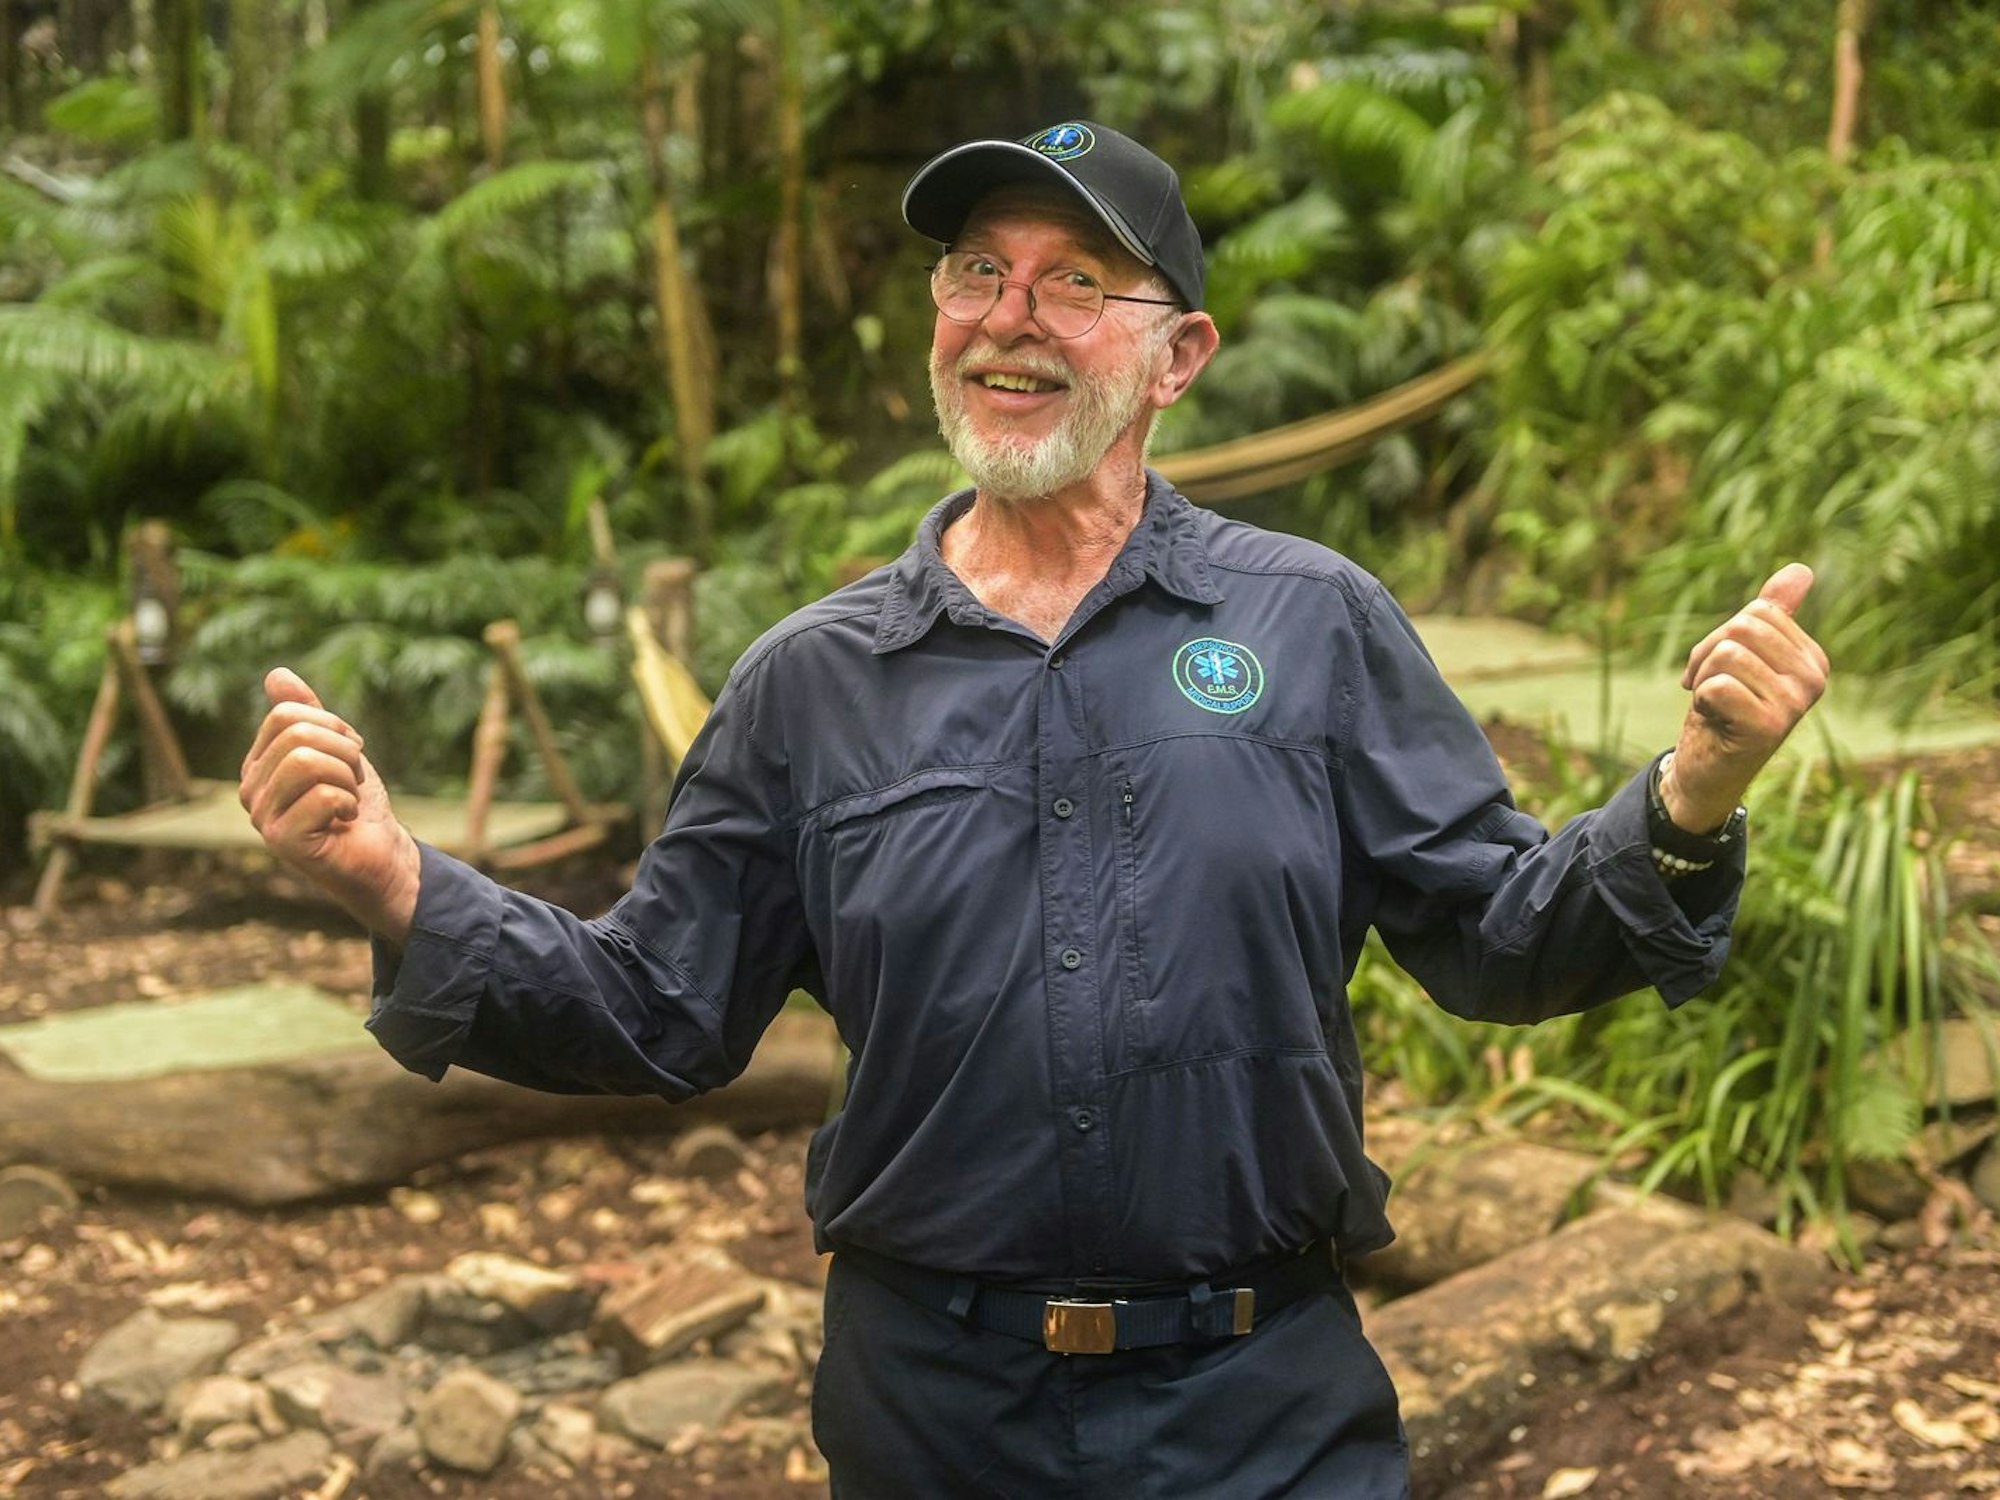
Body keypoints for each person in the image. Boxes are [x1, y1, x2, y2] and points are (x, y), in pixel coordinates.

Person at [240, 120, 1829, 1498]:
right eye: (974, 274)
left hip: (1259, 1405)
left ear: (1179, 355)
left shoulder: (1311, 625)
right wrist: (395, 879)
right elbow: (658, 1005)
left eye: (1076, 280)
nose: (1010, 317)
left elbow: (1499, 940)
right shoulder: (813, 683)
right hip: (934, 1414)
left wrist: (1694, 792)